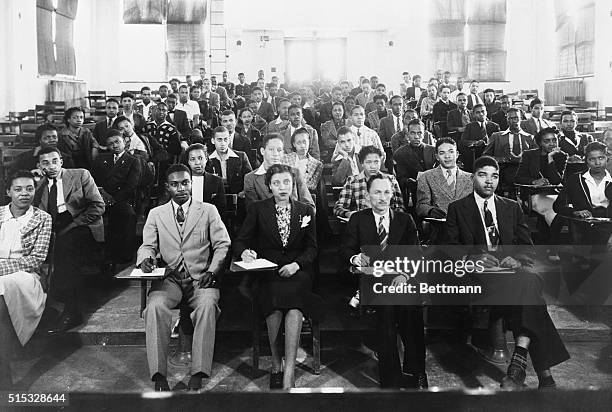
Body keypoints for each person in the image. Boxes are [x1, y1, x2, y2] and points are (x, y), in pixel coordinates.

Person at [446, 155, 569, 389]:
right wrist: (473, 258)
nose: (489, 181)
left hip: (509, 272)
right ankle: (542, 375)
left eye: (494, 176)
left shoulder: (510, 207)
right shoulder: (458, 208)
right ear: (473, 178)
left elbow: (527, 248)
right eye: (483, 175)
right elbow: (449, 250)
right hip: (477, 274)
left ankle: (518, 364)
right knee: (531, 289)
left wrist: (517, 258)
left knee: (528, 282)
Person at [138, 164, 231, 391]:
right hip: (169, 280)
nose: (181, 188)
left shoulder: (208, 210)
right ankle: (159, 375)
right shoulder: (156, 214)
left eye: (185, 183)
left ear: (191, 183)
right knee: (155, 307)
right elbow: (147, 246)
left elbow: (223, 244)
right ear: (167, 187)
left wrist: (212, 271)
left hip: (201, 279)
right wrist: (146, 260)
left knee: (208, 305)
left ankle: (199, 371)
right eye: (175, 184)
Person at [235, 164, 320, 389]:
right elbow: (241, 240)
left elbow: (312, 249)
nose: (282, 187)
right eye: (276, 183)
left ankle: (288, 371)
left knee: (295, 305)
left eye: (286, 182)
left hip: (298, 271)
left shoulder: (305, 210)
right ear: (269, 186)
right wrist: (245, 252)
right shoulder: (258, 209)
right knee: (272, 297)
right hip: (268, 270)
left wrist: (296, 264)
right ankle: (276, 363)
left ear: (293, 184)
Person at [341, 174, 427, 389]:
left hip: (401, 280)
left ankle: (416, 372)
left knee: (412, 311)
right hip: (372, 281)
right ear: (368, 195)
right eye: (377, 192)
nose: (382, 197)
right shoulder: (358, 219)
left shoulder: (404, 220)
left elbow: (415, 255)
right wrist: (355, 258)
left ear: (392, 194)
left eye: (386, 192)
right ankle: (391, 379)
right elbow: (346, 251)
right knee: (386, 310)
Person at [34, 147, 105, 332]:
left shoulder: (80, 175)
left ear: (61, 161)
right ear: (39, 166)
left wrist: (73, 224)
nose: (51, 166)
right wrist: (35, 184)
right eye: (45, 163)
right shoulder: (39, 185)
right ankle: (44, 308)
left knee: (65, 247)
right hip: (53, 227)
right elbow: (35, 214)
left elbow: (98, 206)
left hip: (82, 225)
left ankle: (71, 310)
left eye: (55, 161)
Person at [0, 171, 52, 389]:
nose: (24, 194)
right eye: (18, 189)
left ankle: (3, 379)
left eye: (29, 189)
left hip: (25, 277)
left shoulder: (42, 218)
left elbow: (36, 259)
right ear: (8, 192)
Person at [91, 130, 141, 265]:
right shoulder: (101, 159)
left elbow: (131, 185)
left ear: (124, 142)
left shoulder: (133, 161)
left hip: (121, 199)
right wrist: (102, 196)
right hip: (101, 198)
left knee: (127, 214)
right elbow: (93, 181)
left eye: (117, 141)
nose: (115, 146)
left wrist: (113, 200)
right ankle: (97, 257)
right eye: (110, 144)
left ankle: (124, 256)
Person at [554, 141, 612, 245]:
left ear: (607, 158)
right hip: (585, 224)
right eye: (592, 159)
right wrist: (575, 212)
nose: (597, 163)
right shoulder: (575, 180)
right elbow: (558, 206)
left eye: (601, 158)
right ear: (586, 161)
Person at [515, 127, 567, 243]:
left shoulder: (561, 156)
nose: (551, 144)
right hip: (533, 194)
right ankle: (553, 247)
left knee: (559, 209)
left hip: (554, 195)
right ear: (540, 143)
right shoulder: (529, 155)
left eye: (554, 140)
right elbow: (518, 178)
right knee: (553, 210)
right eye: (546, 141)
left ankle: (551, 245)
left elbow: (555, 180)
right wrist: (534, 182)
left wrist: (550, 159)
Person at [243, 134, 314, 211]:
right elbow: (253, 210)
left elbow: (309, 206)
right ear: (262, 151)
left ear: (283, 153)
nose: (275, 154)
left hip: (295, 219)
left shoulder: (295, 173)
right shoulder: (250, 178)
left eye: (279, 150)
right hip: (266, 221)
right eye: (271, 149)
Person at [334, 146, 404, 218]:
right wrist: (349, 214)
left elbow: (399, 207)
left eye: (376, 162)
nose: (373, 166)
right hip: (361, 224)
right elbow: (338, 208)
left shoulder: (390, 180)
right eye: (368, 162)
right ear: (362, 163)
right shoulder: (353, 181)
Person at [416, 137, 473, 220]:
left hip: (466, 226)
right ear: (437, 157)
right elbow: (421, 206)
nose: (447, 156)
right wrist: (430, 210)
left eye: (451, 152)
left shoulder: (471, 178)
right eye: (442, 153)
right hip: (440, 227)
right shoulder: (426, 177)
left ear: (457, 154)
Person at [484, 108, 537, 187]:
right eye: (511, 118)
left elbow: (536, 158)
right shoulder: (497, 136)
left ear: (521, 118)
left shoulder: (530, 138)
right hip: (503, 170)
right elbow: (485, 157)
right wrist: (501, 159)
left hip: (524, 173)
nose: (514, 121)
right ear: (507, 120)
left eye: (516, 118)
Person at [393, 119, 437, 204]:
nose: (416, 137)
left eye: (419, 133)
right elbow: (400, 178)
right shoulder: (400, 153)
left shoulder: (433, 151)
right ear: (407, 135)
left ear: (424, 134)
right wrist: (408, 181)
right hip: (412, 193)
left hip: (433, 192)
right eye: (413, 133)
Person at [205, 127, 253, 195]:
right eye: (219, 140)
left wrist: (244, 192)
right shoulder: (207, 159)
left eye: (225, 139)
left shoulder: (241, 156)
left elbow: (250, 178)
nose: (223, 143)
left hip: (238, 197)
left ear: (229, 140)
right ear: (213, 141)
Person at [182, 143, 227, 214]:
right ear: (188, 162)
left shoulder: (217, 181)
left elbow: (222, 210)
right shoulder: (181, 181)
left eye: (200, 158)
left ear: (206, 159)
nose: (197, 163)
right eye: (192, 159)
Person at [460, 104, 500, 172]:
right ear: (474, 115)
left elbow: (499, 142)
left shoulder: (494, 126)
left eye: (483, 111)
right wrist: (475, 143)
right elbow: (463, 141)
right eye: (478, 112)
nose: (481, 114)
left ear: (486, 112)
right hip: (475, 154)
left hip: (491, 154)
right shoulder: (469, 126)